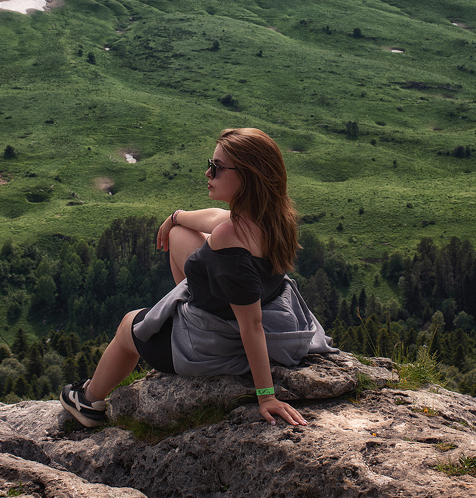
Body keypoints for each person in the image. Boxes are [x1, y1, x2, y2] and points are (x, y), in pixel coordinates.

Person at [60, 127, 335, 427]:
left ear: (248, 176)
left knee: (130, 325)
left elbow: (251, 325)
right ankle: (191, 306)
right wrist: (175, 217)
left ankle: (88, 400)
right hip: (259, 311)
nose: (208, 172)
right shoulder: (273, 216)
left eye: (217, 168)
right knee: (180, 234)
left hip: (217, 337)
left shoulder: (230, 239)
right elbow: (217, 218)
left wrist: (266, 395)